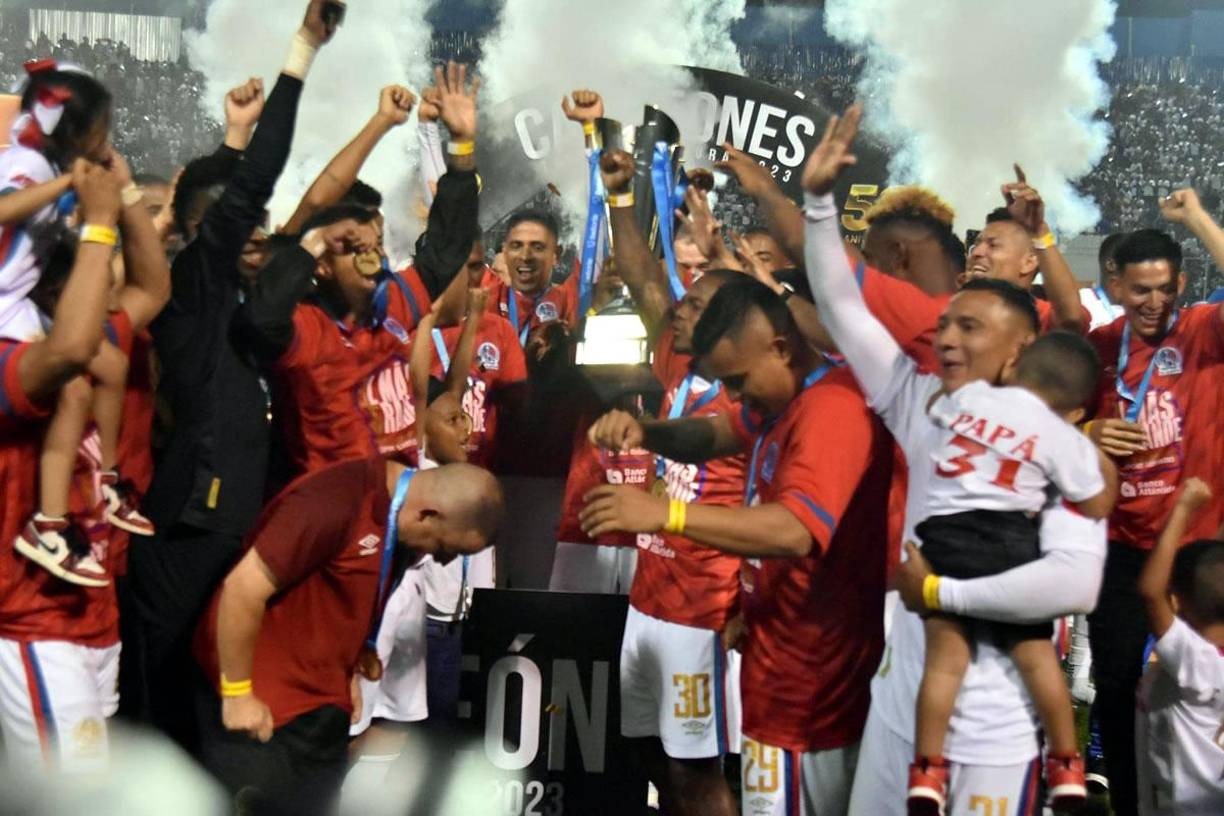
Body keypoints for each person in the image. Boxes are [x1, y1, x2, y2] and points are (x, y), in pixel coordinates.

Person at [798, 103, 1108, 816]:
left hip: (998, 738)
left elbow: (1073, 584)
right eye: (945, 325)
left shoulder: (1058, 446)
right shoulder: (926, 407)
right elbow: (843, 309)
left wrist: (939, 594)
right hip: (899, 722)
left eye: (970, 327)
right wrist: (817, 206)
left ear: (1021, 349)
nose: (946, 339)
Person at [582, 276, 893, 816]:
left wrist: (667, 513)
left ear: (781, 346)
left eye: (740, 379)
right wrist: (647, 432)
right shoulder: (783, 400)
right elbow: (717, 435)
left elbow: (796, 530)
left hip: (810, 685)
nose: (735, 395)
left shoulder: (831, 410)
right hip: (776, 662)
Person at [130, 0, 339, 751]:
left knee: (179, 688)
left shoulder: (224, 301)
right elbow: (250, 188)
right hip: (190, 518)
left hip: (218, 515)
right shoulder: (192, 284)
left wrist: (233, 137)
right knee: (150, 687)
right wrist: (301, 54)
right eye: (232, 219)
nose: (252, 225)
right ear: (197, 230)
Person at [193, 457, 504, 815]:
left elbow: (339, 587)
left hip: (321, 711)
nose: (443, 562)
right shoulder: (335, 500)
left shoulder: (398, 522)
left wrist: (351, 658)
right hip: (262, 714)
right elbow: (242, 588)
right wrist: (237, 693)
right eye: (447, 549)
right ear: (428, 514)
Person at [0, 151, 170, 772]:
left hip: (95, 608)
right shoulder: (25, 355)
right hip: (31, 614)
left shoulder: (99, 343)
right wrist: (99, 221)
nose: (109, 290)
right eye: (95, 280)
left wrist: (125, 194)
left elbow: (153, 287)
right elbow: (68, 349)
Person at [906, 332, 1113, 814]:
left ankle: (928, 773)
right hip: (1011, 538)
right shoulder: (1063, 435)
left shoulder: (977, 396)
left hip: (946, 533)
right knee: (1038, 658)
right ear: (1076, 403)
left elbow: (937, 407)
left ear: (1017, 369)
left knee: (943, 663)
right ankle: (1066, 765)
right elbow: (1097, 499)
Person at [1083, 225, 1224, 816]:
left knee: (1206, 688)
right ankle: (1127, 795)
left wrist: (1197, 218)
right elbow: (1056, 417)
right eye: (1140, 290)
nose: (1153, 303)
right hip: (1121, 543)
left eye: (1164, 289)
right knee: (1115, 684)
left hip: (1200, 548)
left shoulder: (1203, 332)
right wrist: (1087, 431)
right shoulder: (1100, 343)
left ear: (1182, 285)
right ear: (1116, 286)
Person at [1, 60, 151, 586]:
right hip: (2, 308)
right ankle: (48, 522)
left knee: (107, 361)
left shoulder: (52, 165)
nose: (108, 136)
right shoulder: (28, 165)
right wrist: (69, 184)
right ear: (80, 132)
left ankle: (108, 480)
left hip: (19, 302)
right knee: (72, 393)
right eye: (104, 126)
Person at [1134, 478, 1224, 816]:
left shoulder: (1193, 660)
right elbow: (1211, 569)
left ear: (1175, 601)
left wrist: (1183, 509)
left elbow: (1149, 593)